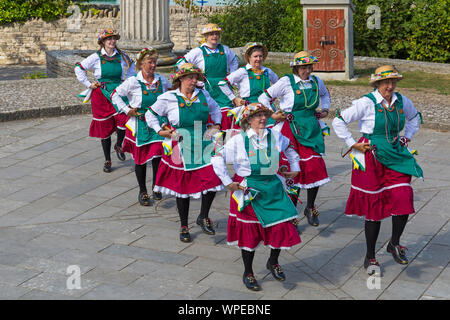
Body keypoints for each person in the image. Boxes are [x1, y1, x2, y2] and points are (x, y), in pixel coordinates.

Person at [332, 65, 423, 275]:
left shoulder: (401, 101)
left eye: (393, 82)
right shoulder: (366, 103)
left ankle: (394, 243)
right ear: (377, 84)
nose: (390, 86)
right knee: (374, 208)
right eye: (386, 82)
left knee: (403, 197)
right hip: (371, 157)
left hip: (396, 154)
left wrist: (406, 137)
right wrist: (352, 143)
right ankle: (370, 256)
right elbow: (339, 120)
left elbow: (415, 117)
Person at [211, 102, 301, 291]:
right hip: (249, 191)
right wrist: (227, 181)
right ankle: (248, 272)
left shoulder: (275, 136)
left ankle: (273, 261)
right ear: (248, 120)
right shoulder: (237, 140)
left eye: (264, 115)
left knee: (281, 225)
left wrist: (294, 167)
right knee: (250, 233)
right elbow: (217, 157)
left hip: (273, 188)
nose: (262, 119)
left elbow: (291, 148)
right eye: (257, 116)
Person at [146, 63, 223, 242]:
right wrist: (159, 130)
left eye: (196, 77)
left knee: (213, 179)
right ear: (180, 79)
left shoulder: (203, 95)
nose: (194, 81)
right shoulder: (169, 97)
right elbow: (150, 114)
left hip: (204, 142)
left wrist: (217, 125)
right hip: (180, 145)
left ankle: (203, 216)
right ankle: (184, 225)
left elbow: (216, 109)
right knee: (184, 188)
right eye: (190, 77)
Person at [258, 51, 330, 228]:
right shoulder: (286, 82)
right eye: (303, 67)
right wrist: (272, 114)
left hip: (311, 129)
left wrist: (326, 109)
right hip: (291, 130)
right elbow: (264, 97)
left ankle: (310, 207)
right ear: (296, 68)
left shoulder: (316, 81)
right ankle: (290, 211)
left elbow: (325, 95)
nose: (307, 70)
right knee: (293, 169)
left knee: (315, 167)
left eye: (309, 67)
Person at [111, 48, 170, 205]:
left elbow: (172, 92)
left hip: (157, 122)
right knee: (141, 159)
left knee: (158, 155)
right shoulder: (133, 82)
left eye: (154, 62)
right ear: (141, 64)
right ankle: (142, 190)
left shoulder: (161, 80)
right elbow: (115, 95)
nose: (153, 65)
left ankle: (156, 186)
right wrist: (126, 110)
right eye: (150, 62)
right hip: (140, 123)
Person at [75, 28, 135, 173]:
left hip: (118, 92)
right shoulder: (95, 57)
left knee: (124, 119)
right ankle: (107, 160)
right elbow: (79, 68)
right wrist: (89, 84)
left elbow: (132, 67)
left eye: (114, 38)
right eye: (109, 39)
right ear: (102, 42)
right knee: (105, 129)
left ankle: (119, 144)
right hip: (101, 95)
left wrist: (126, 83)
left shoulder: (122, 56)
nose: (112, 41)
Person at [176, 23, 239, 130]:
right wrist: (194, 77)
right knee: (206, 112)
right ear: (206, 36)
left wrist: (232, 76)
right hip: (206, 87)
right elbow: (181, 62)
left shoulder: (225, 49)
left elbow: (234, 61)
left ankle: (225, 140)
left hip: (223, 87)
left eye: (216, 34)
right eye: (211, 34)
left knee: (225, 113)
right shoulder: (198, 51)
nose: (214, 36)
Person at [218, 42, 279, 129]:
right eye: (255, 56)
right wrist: (234, 98)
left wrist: (273, 97)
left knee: (271, 134)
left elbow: (279, 85)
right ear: (249, 57)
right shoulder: (243, 72)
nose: (258, 59)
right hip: (250, 109)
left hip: (266, 108)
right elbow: (222, 83)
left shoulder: (267, 71)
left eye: (260, 56)